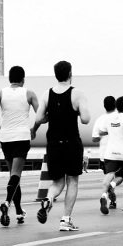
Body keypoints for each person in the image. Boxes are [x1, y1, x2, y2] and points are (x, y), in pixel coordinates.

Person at [34, 61, 90, 231]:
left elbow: (38, 119)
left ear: (55, 74)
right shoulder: (77, 94)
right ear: (70, 74)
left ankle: (48, 199)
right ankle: (65, 220)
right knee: (72, 181)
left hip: (53, 144)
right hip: (72, 143)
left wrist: (50, 116)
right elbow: (86, 119)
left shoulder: (47, 94)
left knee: (57, 183)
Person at [0, 65, 40, 226]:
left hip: (6, 137)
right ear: (23, 79)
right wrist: (34, 129)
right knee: (16, 175)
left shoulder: (0, 93)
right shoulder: (29, 93)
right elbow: (41, 114)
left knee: (13, 175)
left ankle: (18, 211)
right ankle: (6, 203)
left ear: (9, 79)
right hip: (22, 136)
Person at [98, 96, 123, 213]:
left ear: (116, 106)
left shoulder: (109, 118)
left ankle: (104, 195)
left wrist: (112, 130)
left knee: (110, 174)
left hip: (111, 153)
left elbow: (100, 132)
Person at [91, 96, 123, 209]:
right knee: (119, 177)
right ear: (115, 105)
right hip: (118, 154)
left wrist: (103, 135)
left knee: (108, 177)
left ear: (104, 106)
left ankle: (108, 197)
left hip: (104, 155)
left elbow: (94, 138)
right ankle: (112, 190)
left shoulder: (100, 119)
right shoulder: (120, 117)